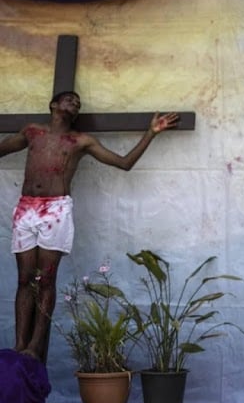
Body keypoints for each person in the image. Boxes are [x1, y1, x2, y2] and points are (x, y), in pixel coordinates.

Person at [0, 90, 178, 361]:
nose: (75, 104)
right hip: (27, 208)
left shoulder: (80, 141)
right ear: (53, 105)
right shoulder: (33, 132)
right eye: (70, 100)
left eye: (78, 103)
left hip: (55, 210)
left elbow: (124, 163)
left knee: (46, 279)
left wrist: (151, 132)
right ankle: (19, 344)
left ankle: (35, 347)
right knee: (25, 279)